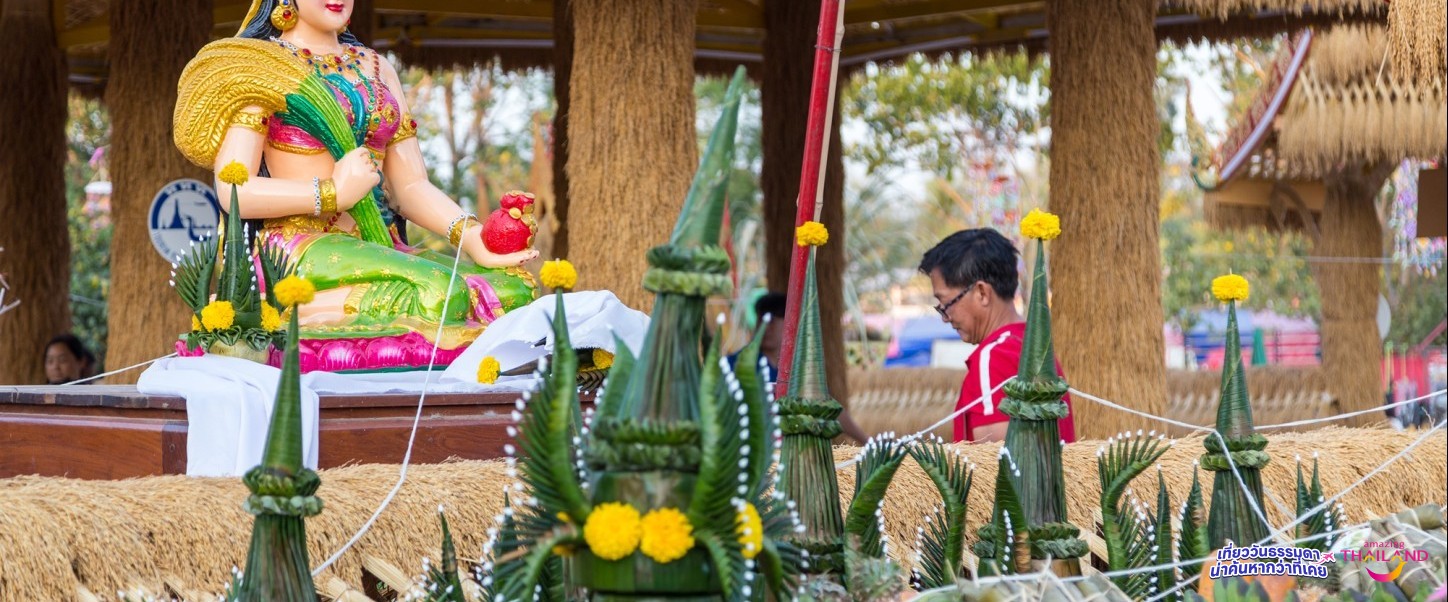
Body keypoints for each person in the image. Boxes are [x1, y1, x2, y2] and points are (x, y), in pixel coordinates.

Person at [172, 0, 538, 371]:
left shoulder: (376, 66)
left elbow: (408, 186)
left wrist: (472, 237)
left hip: (376, 241)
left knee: (512, 291)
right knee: (441, 295)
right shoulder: (262, 66)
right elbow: (233, 188)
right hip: (295, 248)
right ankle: (271, 308)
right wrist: (332, 193)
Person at [919, 229, 1077, 444]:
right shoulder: (1033, 346)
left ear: (982, 293)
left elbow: (997, 466)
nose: (945, 318)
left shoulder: (992, 358)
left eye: (945, 303)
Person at [730, 291, 869, 443]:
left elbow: (825, 404)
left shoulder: (800, 369)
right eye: (760, 319)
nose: (765, 327)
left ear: (790, 324)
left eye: (772, 321)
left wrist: (866, 441)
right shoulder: (736, 364)